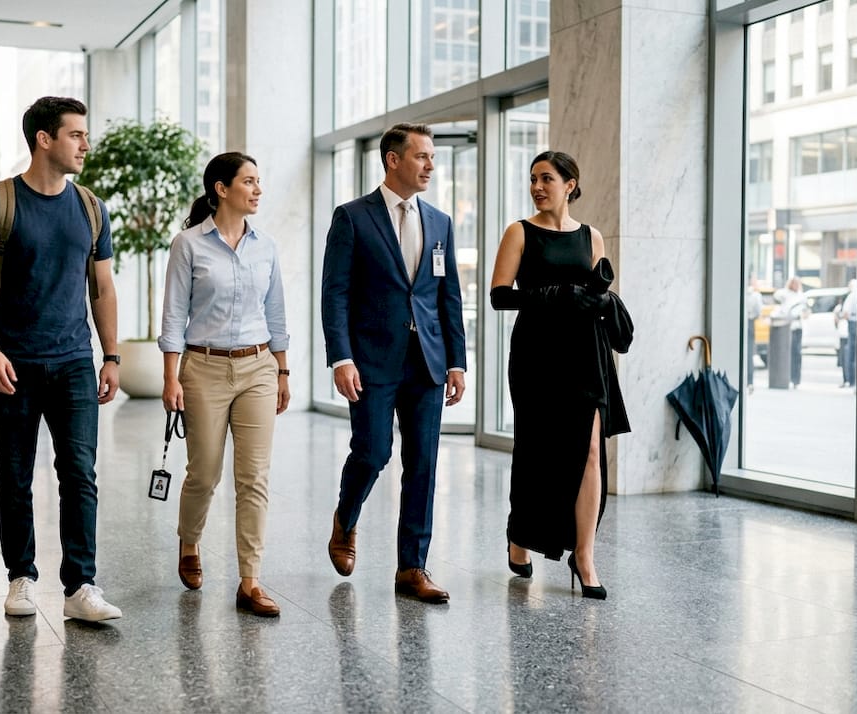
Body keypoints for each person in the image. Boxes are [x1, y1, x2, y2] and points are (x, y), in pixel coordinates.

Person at [0, 96, 122, 622]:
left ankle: (81, 586)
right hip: (14, 362)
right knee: (15, 472)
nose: (85, 144)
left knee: (80, 472)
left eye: (85, 134)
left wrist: (112, 355)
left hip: (75, 359)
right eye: (76, 134)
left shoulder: (91, 208)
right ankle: (21, 577)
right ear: (44, 139)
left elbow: (102, 288)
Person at [320, 123, 467, 604]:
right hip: (371, 361)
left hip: (426, 361)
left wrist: (457, 362)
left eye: (431, 157)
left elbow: (447, 296)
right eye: (421, 156)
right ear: (392, 160)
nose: (429, 165)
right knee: (373, 451)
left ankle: (412, 568)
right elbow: (335, 294)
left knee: (423, 463)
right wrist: (341, 357)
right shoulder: (353, 218)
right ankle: (346, 516)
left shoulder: (441, 222)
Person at [488, 150, 631, 600]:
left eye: (546, 178)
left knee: (591, 452)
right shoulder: (520, 232)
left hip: (585, 354)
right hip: (535, 356)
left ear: (570, 184)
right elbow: (499, 297)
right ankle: (520, 535)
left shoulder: (592, 237)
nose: (537, 186)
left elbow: (597, 292)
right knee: (535, 452)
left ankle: (584, 554)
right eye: (533, 179)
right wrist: (552, 294)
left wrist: (598, 300)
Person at [159, 152, 290, 618]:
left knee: (253, 477)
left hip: (257, 368)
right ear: (221, 188)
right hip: (204, 369)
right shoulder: (189, 245)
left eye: (259, 181)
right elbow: (174, 314)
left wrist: (283, 369)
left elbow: (275, 312)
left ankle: (250, 581)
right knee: (205, 472)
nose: (257, 190)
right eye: (249, 182)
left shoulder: (266, 246)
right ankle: (189, 542)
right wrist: (170, 375)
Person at [774, 277, 807, 387]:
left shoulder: (801, 296)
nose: (795, 286)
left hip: (797, 326)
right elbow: (777, 296)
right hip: (788, 326)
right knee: (788, 353)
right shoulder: (785, 294)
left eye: (797, 284)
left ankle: (796, 379)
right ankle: (788, 377)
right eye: (793, 283)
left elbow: (805, 311)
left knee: (797, 353)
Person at [745, 278, 763, 392]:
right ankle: (749, 382)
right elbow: (758, 311)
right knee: (749, 353)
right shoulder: (755, 295)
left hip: (740, 322)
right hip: (750, 322)